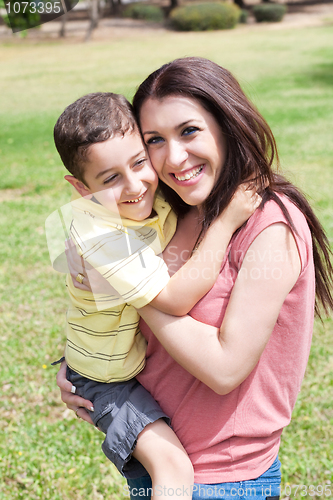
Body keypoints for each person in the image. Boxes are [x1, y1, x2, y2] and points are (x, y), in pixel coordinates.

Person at [56, 57, 333, 500]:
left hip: (226, 480)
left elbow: (225, 369)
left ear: (225, 123)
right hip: (153, 465)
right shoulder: (167, 212)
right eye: (155, 141)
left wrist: (130, 289)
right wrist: (81, 364)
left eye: (189, 131)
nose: (174, 157)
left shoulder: (269, 223)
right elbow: (112, 311)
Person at [52, 91, 260, 499]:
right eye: (110, 178)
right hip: (104, 381)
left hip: (114, 362)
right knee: (172, 467)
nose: (136, 185)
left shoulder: (147, 200)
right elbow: (174, 299)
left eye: (140, 162)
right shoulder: (100, 237)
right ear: (80, 188)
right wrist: (228, 221)